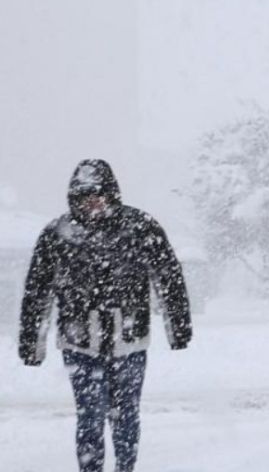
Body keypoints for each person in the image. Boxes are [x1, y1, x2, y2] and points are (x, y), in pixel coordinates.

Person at [18, 159, 193, 472]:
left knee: (126, 414)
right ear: (74, 200)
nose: (93, 204)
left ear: (112, 195)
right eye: (85, 198)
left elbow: (169, 277)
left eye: (99, 196)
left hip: (129, 341)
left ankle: (125, 467)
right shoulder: (57, 235)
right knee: (90, 415)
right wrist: (32, 343)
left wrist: (178, 327)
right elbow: (37, 292)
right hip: (79, 343)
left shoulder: (140, 227)